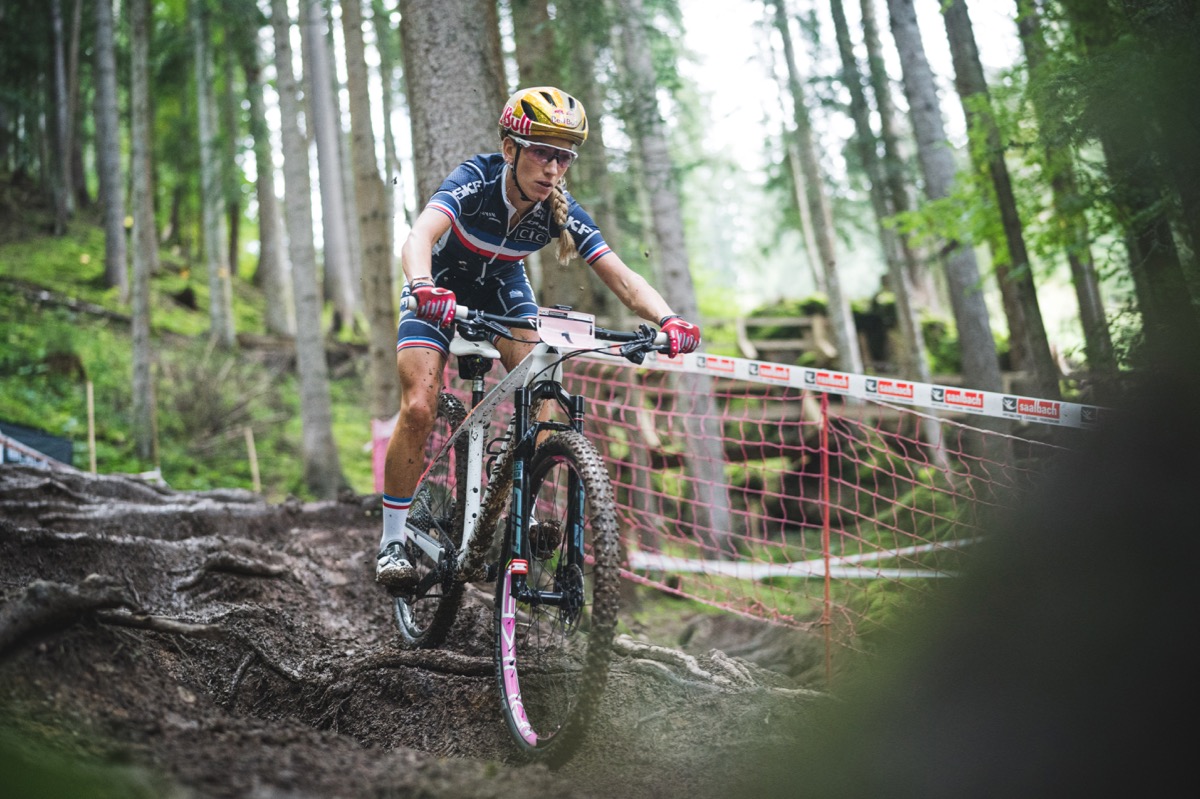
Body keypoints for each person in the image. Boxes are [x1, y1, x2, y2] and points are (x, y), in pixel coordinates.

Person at [376, 86, 702, 589]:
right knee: (419, 405)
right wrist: (422, 286)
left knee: (546, 399)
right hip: (439, 288)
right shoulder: (476, 179)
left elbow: (620, 277)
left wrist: (669, 319)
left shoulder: (561, 209)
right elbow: (420, 237)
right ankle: (393, 542)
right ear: (511, 149)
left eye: (563, 157)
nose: (553, 168)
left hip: (504, 292)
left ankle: (516, 512)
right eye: (543, 153)